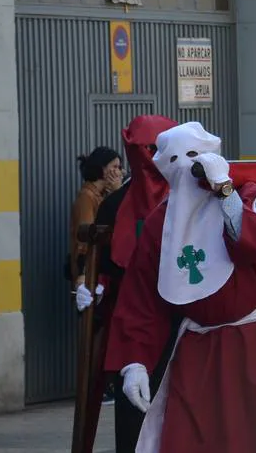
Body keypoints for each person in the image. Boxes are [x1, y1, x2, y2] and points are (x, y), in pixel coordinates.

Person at [105, 121, 256, 453]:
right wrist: (134, 362)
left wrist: (225, 191)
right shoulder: (159, 225)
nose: (186, 167)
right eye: (176, 159)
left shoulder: (248, 195)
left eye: (194, 156)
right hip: (199, 349)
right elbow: (141, 299)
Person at [78, 115, 178, 453]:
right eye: (143, 149)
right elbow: (98, 262)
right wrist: (90, 285)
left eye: (155, 148)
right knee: (134, 419)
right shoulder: (115, 205)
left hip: (182, 321)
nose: (149, 157)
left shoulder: (189, 198)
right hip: (132, 322)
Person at [71, 145, 124, 291]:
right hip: (91, 270)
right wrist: (83, 273)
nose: (120, 172)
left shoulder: (100, 196)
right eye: (116, 167)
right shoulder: (87, 197)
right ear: (103, 168)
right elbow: (86, 235)